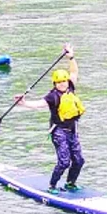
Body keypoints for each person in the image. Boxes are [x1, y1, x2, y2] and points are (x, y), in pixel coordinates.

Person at [14, 44, 86, 194]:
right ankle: (52, 185)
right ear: (55, 83)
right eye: (59, 82)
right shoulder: (52, 96)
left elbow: (74, 71)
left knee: (79, 160)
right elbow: (39, 105)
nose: (62, 84)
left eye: (64, 81)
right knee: (64, 162)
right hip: (59, 132)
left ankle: (70, 183)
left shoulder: (70, 87)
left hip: (72, 130)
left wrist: (71, 57)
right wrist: (24, 103)